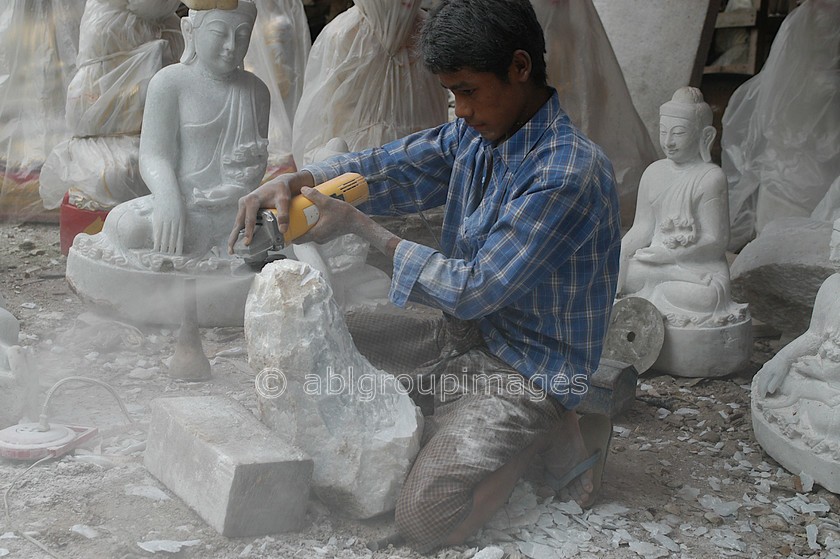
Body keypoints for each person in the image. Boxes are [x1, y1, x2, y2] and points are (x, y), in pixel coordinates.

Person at [230, 0, 620, 551]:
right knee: (321, 344)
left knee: (425, 520)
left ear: (520, 67)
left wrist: (360, 228)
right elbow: (395, 165)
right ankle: (448, 411)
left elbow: (474, 289)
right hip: (462, 333)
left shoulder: (566, 174)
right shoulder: (478, 133)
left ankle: (550, 428)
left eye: (467, 90)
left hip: (527, 368)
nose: (458, 109)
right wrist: (299, 180)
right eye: (450, 94)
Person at [93, 0, 268, 267]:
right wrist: (168, 198)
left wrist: (233, 191)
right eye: (219, 34)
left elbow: (253, 165)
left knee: (266, 231)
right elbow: (153, 155)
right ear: (189, 31)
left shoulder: (256, 92)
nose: (231, 46)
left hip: (233, 211)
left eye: (242, 36)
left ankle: (214, 243)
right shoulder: (169, 83)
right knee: (125, 225)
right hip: (182, 202)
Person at [617, 87, 747, 329]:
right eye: (663, 132)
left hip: (698, 267)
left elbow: (716, 240)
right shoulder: (654, 172)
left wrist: (670, 255)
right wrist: (618, 255)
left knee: (708, 295)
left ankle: (655, 296)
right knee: (625, 273)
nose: (668, 142)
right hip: (654, 265)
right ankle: (658, 287)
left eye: (678, 133)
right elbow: (643, 228)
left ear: (704, 136)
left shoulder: (710, 177)